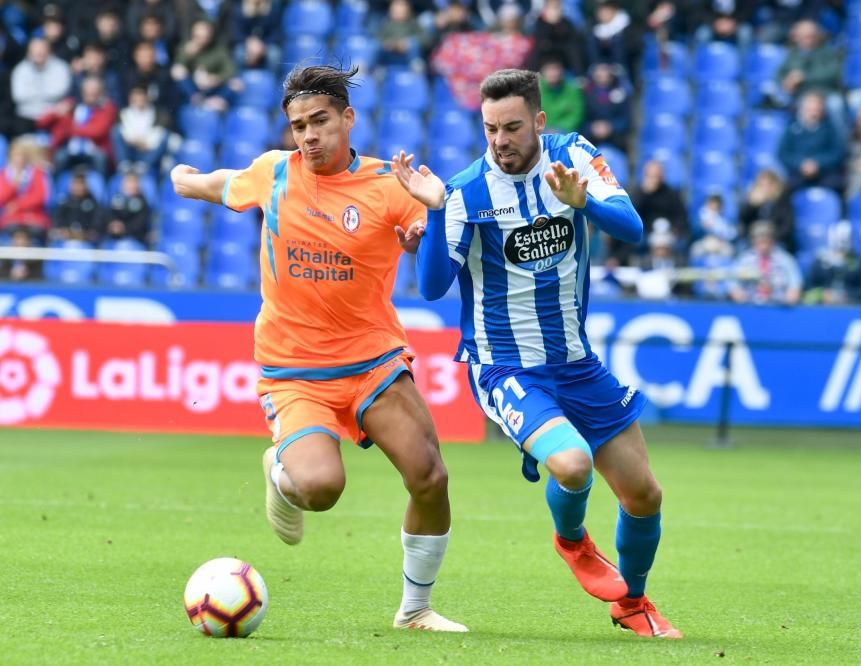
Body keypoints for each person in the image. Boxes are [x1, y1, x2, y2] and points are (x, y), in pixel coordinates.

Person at [169, 64, 467, 633]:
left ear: (348, 118)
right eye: (298, 125)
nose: (308, 135)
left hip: (373, 361)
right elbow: (219, 184)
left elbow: (436, 264)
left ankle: (416, 608)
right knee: (322, 489)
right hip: (295, 370)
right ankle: (282, 471)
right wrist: (185, 179)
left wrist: (424, 229)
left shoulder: (390, 184)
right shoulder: (274, 173)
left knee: (430, 476)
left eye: (321, 121)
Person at [393, 68, 683, 639]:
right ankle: (572, 540)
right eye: (490, 129)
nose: (501, 140)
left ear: (540, 122)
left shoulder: (572, 155)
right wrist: (430, 212)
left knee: (645, 494)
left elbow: (630, 226)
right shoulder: (464, 192)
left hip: (577, 362)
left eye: (513, 127)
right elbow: (431, 288)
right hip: (504, 366)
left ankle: (633, 603)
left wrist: (584, 203)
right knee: (572, 464)